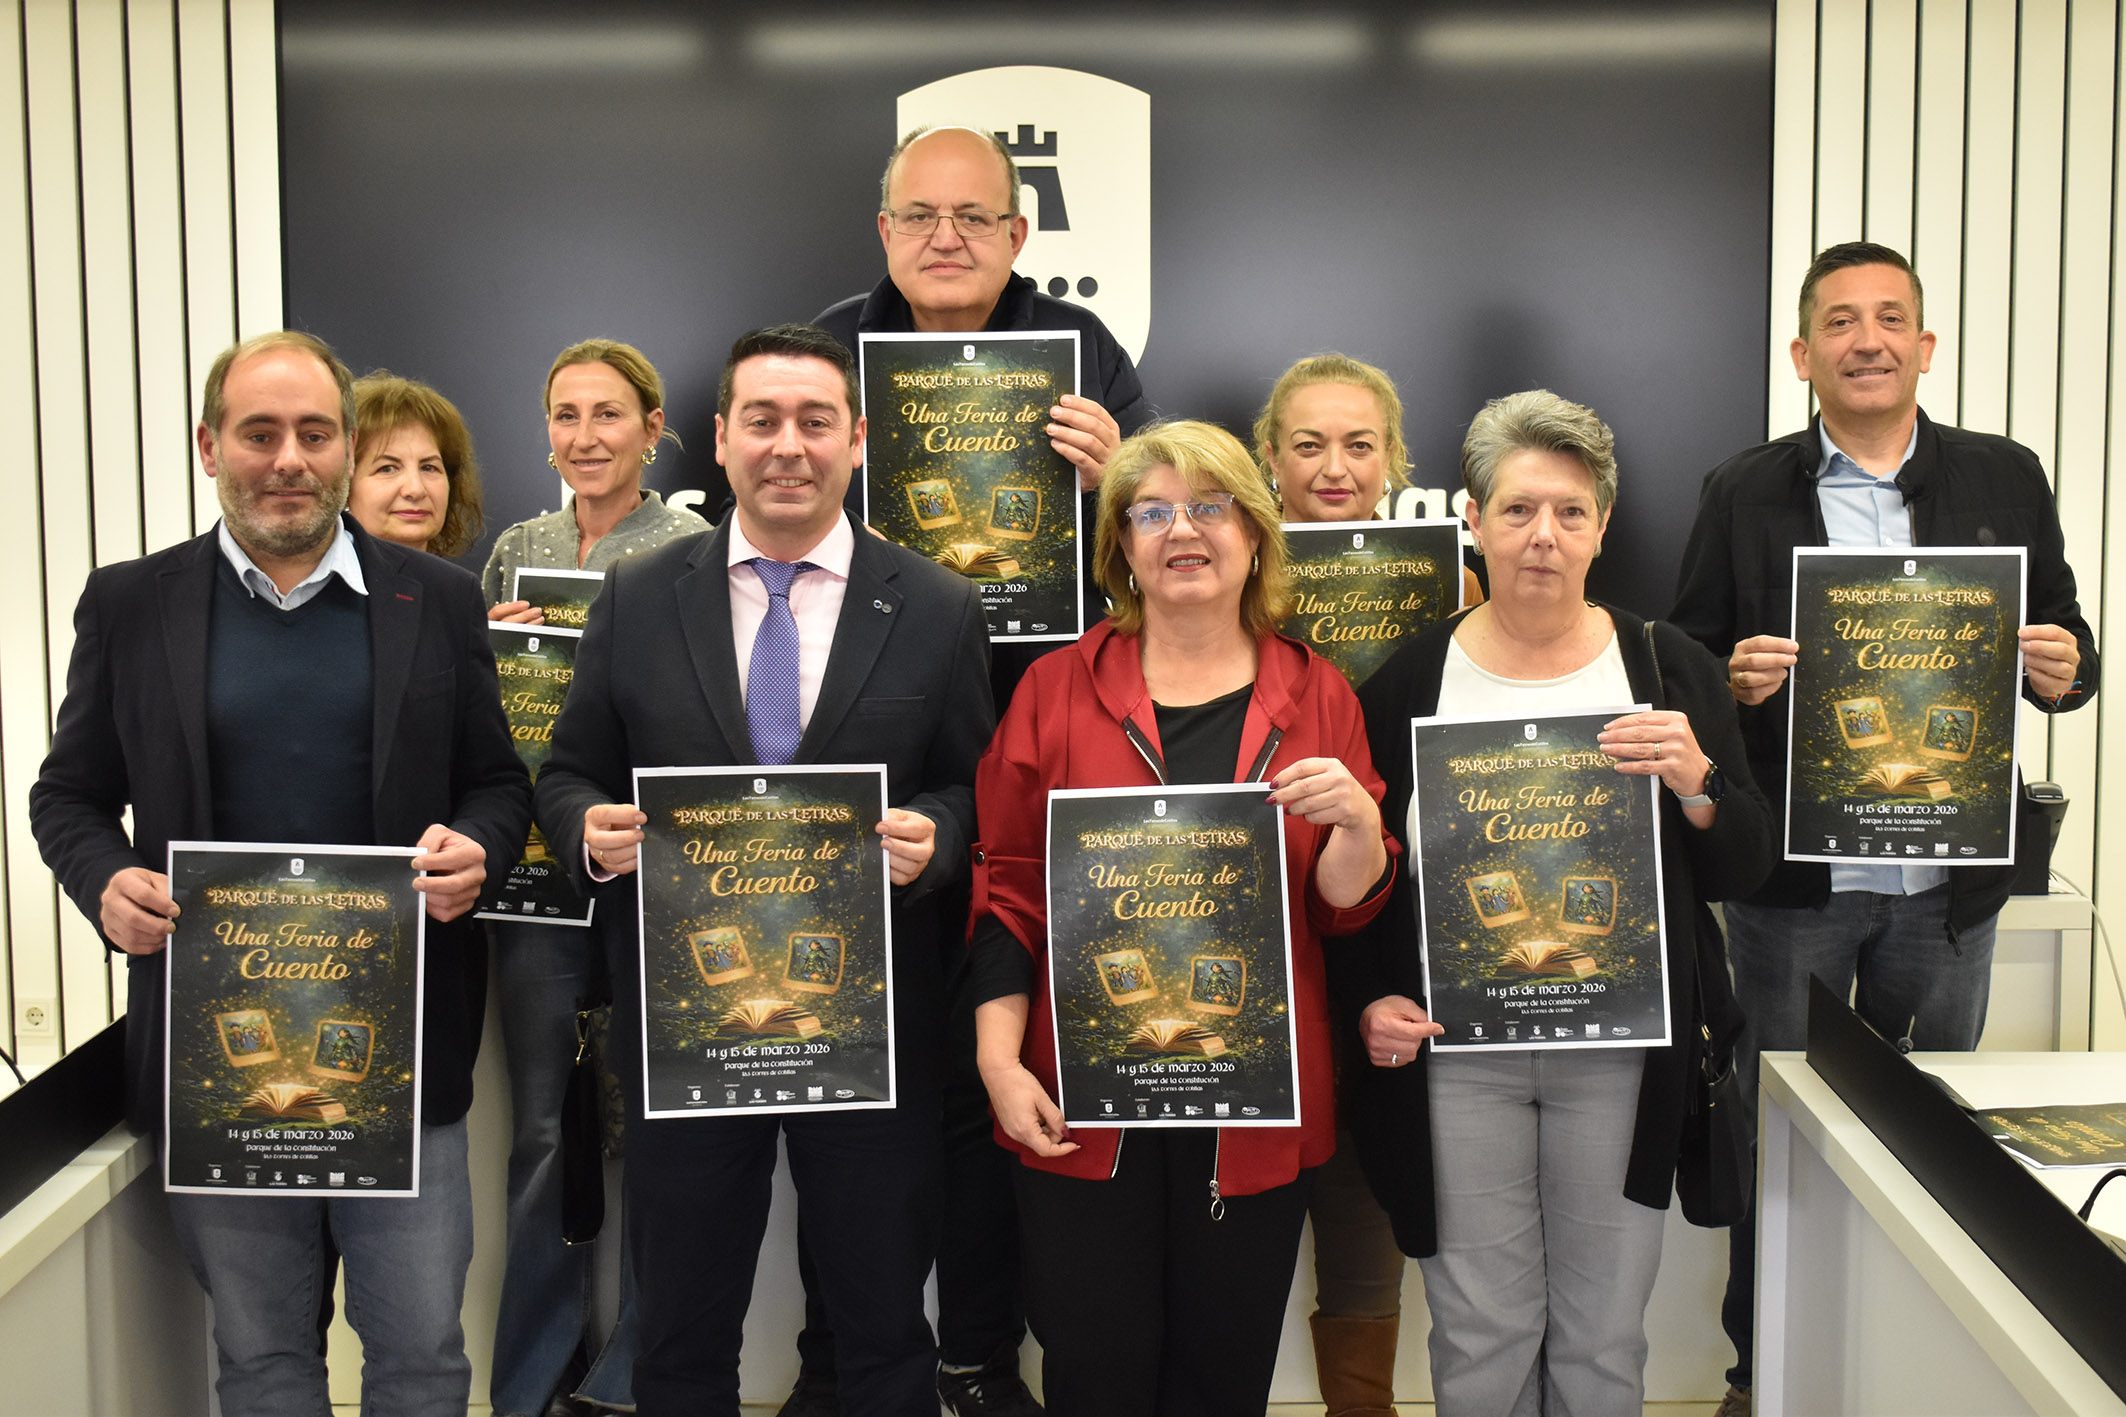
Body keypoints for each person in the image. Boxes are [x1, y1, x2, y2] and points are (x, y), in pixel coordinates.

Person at [28, 330, 531, 1417]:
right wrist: (106, 881)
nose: (288, 459)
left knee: (422, 1356)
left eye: (314, 433)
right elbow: (65, 794)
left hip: (402, 1058)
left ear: (347, 447)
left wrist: (476, 851)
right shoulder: (132, 602)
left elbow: (497, 783)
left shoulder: (435, 599)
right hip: (218, 1056)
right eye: (260, 433)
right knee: (261, 1361)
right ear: (209, 446)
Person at [1668, 240, 2099, 1417]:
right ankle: (1764, 1372)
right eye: (1841, 322)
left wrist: (2062, 668)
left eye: (1889, 318)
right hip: (1792, 885)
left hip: (1947, 880)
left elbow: (2060, 643)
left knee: (1935, 1127)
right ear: (1802, 354)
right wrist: (1731, 678)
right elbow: (1682, 657)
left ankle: (1911, 1372)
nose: (1866, 339)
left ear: (1922, 345)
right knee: (1773, 1134)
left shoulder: (2002, 477)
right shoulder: (1738, 489)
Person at [533, 323, 994, 1417]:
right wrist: (586, 829)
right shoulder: (640, 597)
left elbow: (979, 790)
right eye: (763, 420)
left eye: (814, 421)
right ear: (721, 438)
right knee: (684, 1329)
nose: (788, 446)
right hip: (689, 1021)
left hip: (870, 1026)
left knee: (884, 1324)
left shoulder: (933, 604)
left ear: (857, 438)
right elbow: (566, 773)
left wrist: (936, 835)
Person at [805, 122, 1155, 1415]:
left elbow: (1166, 537)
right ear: (883, 230)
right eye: (918, 214)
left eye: (973, 215)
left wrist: (1113, 474)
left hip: (1037, 748)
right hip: (870, 752)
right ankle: (841, 1364)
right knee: (849, 1080)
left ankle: (982, 1358)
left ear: (1017, 234)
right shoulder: (826, 349)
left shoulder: (1082, 354)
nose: (944, 236)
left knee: (1002, 1070)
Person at [1339, 389, 1773, 1416]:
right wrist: (1369, 999)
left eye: (1568, 512)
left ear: (1601, 528)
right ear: (1474, 522)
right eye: (1518, 509)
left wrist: (1699, 784)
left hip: (1621, 1057)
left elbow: (1744, 869)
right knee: (1479, 1332)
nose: (1542, 535)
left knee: (1599, 1337)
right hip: (1458, 1060)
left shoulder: (1668, 668)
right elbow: (1366, 876)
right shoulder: (1406, 679)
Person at [969, 419, 1397, 1415]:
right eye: (1150, 512)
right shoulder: (1053, 688)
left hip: (1250, 1109)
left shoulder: (1315, 690)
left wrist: (1360, 822)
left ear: (1253, 531)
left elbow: (1345, 905)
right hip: (1076, 1105)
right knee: (1094, 1373)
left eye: (1207, 507)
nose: (1180, 531)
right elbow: (1006, 890)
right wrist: (998, 1061)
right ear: (1119, 542)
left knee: (1220, 1378)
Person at [482, 338, 708, 1417]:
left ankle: (630, 1380)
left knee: (664, 1134)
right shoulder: (518, 549)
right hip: (540, 876)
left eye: (608, 414)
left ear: (652, 429)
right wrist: (496, 650)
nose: (586, 436)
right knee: (542, 1132)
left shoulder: (694, 544)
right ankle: (531, 1382)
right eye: (566, 415)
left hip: (660, 877)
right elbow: (488, 726)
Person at [1254, 352, 1482, 1417]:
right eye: (1307, 443)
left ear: (1395, 461)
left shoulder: (1464, 588)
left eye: (1358, 444)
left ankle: (1361, 1404)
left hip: (1399, 919)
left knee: (1365, 1180)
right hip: (1257, 910)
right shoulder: (1222, 574)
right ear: (1268, 459)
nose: (1333, 466)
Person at [348, 370, 485, 558]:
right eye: (387, 468)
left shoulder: (460, 587)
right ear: (343, 487)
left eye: (429, 467)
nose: (415, 490)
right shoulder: (309, 586)